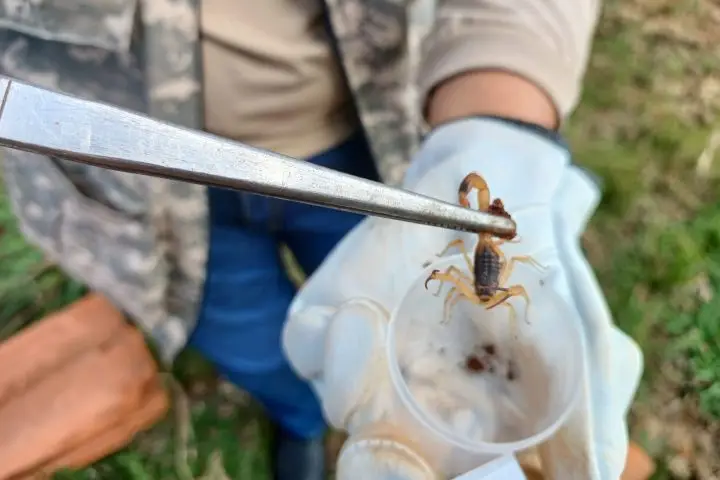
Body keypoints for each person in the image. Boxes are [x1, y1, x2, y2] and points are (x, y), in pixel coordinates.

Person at [0, 0, 643, 479]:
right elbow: (464, 284)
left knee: (376, 322)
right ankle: (300, 419)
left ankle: (318, 415)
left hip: (359, 141)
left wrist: (497, 127)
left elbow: (491, 283)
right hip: (133, 187)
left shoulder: (491, 268)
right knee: (249, 337)